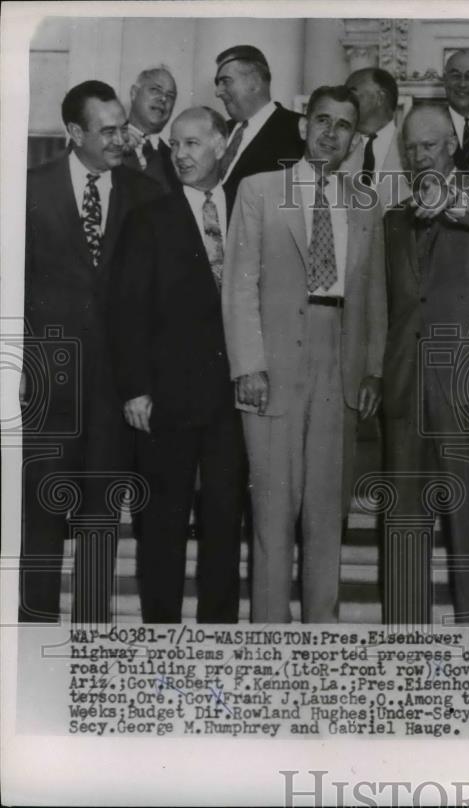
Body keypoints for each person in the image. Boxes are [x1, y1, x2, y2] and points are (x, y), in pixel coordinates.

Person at [222, 85, 387, 623]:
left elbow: (375, 295)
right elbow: (239, 287)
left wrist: (372, 369)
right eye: (321, 120)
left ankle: (322, 630)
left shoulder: (365, 201)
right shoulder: (259, 189)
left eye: (343, 125)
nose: (330, 133)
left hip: (338, 358)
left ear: (354, 137)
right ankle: (270, 635)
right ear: (303, 126)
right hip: (273, 362)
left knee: (325, 511)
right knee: (273, 509)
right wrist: (248, 365)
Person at [20, 80, 163, 623]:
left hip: (115, 395)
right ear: (74, 132)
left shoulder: (145, 193)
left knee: (100, 528)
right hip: (47, 392)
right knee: (42, 526)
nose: (119, 138)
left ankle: (92, 648)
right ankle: (32, 641)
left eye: (122, 126)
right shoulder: (28, 189)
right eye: (106, 130)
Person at [110, 106, 247, 623]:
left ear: (221, 146)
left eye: (193, 143)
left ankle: (219, 636)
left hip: (233, 401)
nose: (182, 155)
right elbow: (127, 311)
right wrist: (135, 389)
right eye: (176, 145)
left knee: (223, 522)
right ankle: (160, 633)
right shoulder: (150, 217)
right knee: (161, 525)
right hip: (167, 401)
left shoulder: (247, 210)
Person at [381, 105, 469, 624]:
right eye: (411, 147)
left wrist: (448, 203)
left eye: (430, 145)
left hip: (468, 383)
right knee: (403, 520)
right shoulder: (393, 217)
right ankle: (405, 636)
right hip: (406, 382)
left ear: (453, 145)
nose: (419, 156)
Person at [214, 44, 304, 210]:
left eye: (225, 81)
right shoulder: (218, 131)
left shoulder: (298, 130)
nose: (218, 92)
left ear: (255, 82)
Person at [344, 67, 408, 209]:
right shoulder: (339, 149)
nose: (345, 102)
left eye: (351, 94)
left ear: (380, 97)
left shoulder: (411, 147)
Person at [122, 65, 180, 191]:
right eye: (155, 90)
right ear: (134, 93)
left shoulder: (175, 159)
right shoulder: (109, 141)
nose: (163, 99)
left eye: (170, 96)